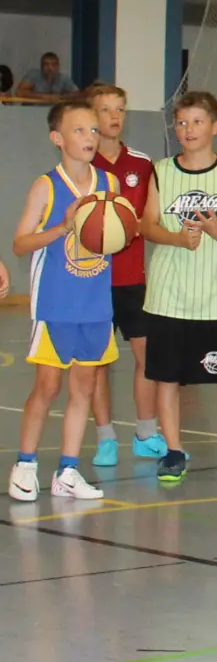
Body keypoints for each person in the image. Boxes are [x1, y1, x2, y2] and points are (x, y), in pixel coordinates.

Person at [140, 91, 217, 482]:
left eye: (196, 121)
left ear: (215, 126)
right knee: (166, 377)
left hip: (216, 297)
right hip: (168, 294)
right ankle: (174, 451)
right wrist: (177, 238)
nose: (188, 129)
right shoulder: (161, 171)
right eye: (181, 122)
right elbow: (146, 225)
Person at [9, 98, 114, 503]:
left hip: (95, 304)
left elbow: (113, 235)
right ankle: (26, 463)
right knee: (48, 386)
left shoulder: (109, 185)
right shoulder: (46, 185)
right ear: (57, 138)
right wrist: (63, 226)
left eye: (93, 129)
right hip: (55, 303)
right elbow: (21, 243)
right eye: (79, 130)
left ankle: (68, 470)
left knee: (85, 387)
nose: (90, 136)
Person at [85, 82, 165, 466]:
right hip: (92, 279)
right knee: (98, 362)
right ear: (90, 115)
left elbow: (152, 219)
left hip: (133, 278)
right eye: (106, 109)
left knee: (146, 355)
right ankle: (104, 438)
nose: (115, 116)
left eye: (120, 109)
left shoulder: (142, 164)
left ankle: (146, 432)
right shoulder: (81, 166)